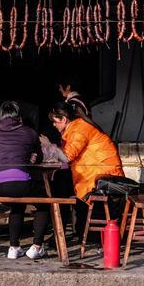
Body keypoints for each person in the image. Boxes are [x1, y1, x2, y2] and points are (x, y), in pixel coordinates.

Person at [43, 102, 124, 239]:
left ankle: (59, 235)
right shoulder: (77, 127)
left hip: (103, 177)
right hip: (97, 174)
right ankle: (60, 233)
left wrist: (49, 145)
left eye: (55, 121)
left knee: (59, 185)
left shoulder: (79, 129)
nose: (53, 124)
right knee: (60, 182)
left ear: (64, 119)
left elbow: (67, 157)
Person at [0, 101, 52, 260]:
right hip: (18, 183)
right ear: (19, 117)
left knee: (17, 203)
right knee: (45, 202)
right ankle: (37, 247)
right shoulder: (29, 132)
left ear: (0, 116)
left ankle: (14, 247)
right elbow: (38, 157)